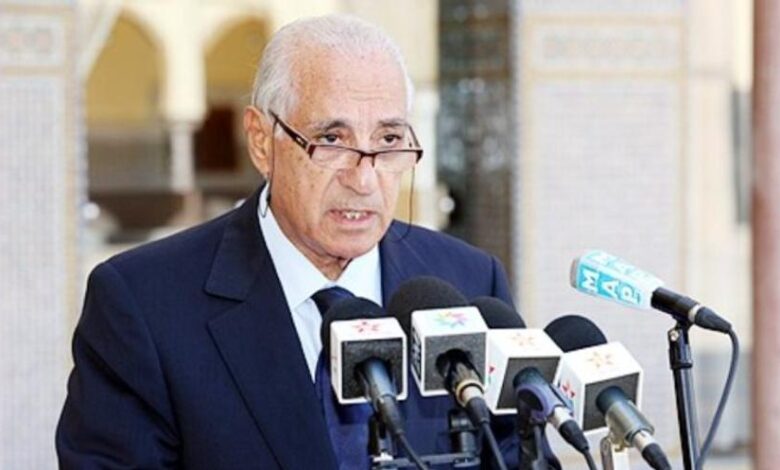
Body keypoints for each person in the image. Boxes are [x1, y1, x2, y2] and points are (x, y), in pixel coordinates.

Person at [56, 14, 518, 469]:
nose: (364, 180)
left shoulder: (471, 282)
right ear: (262, 141)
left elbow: (513, 455)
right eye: (331, 139)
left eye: (389, 138)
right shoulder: (143, 304)